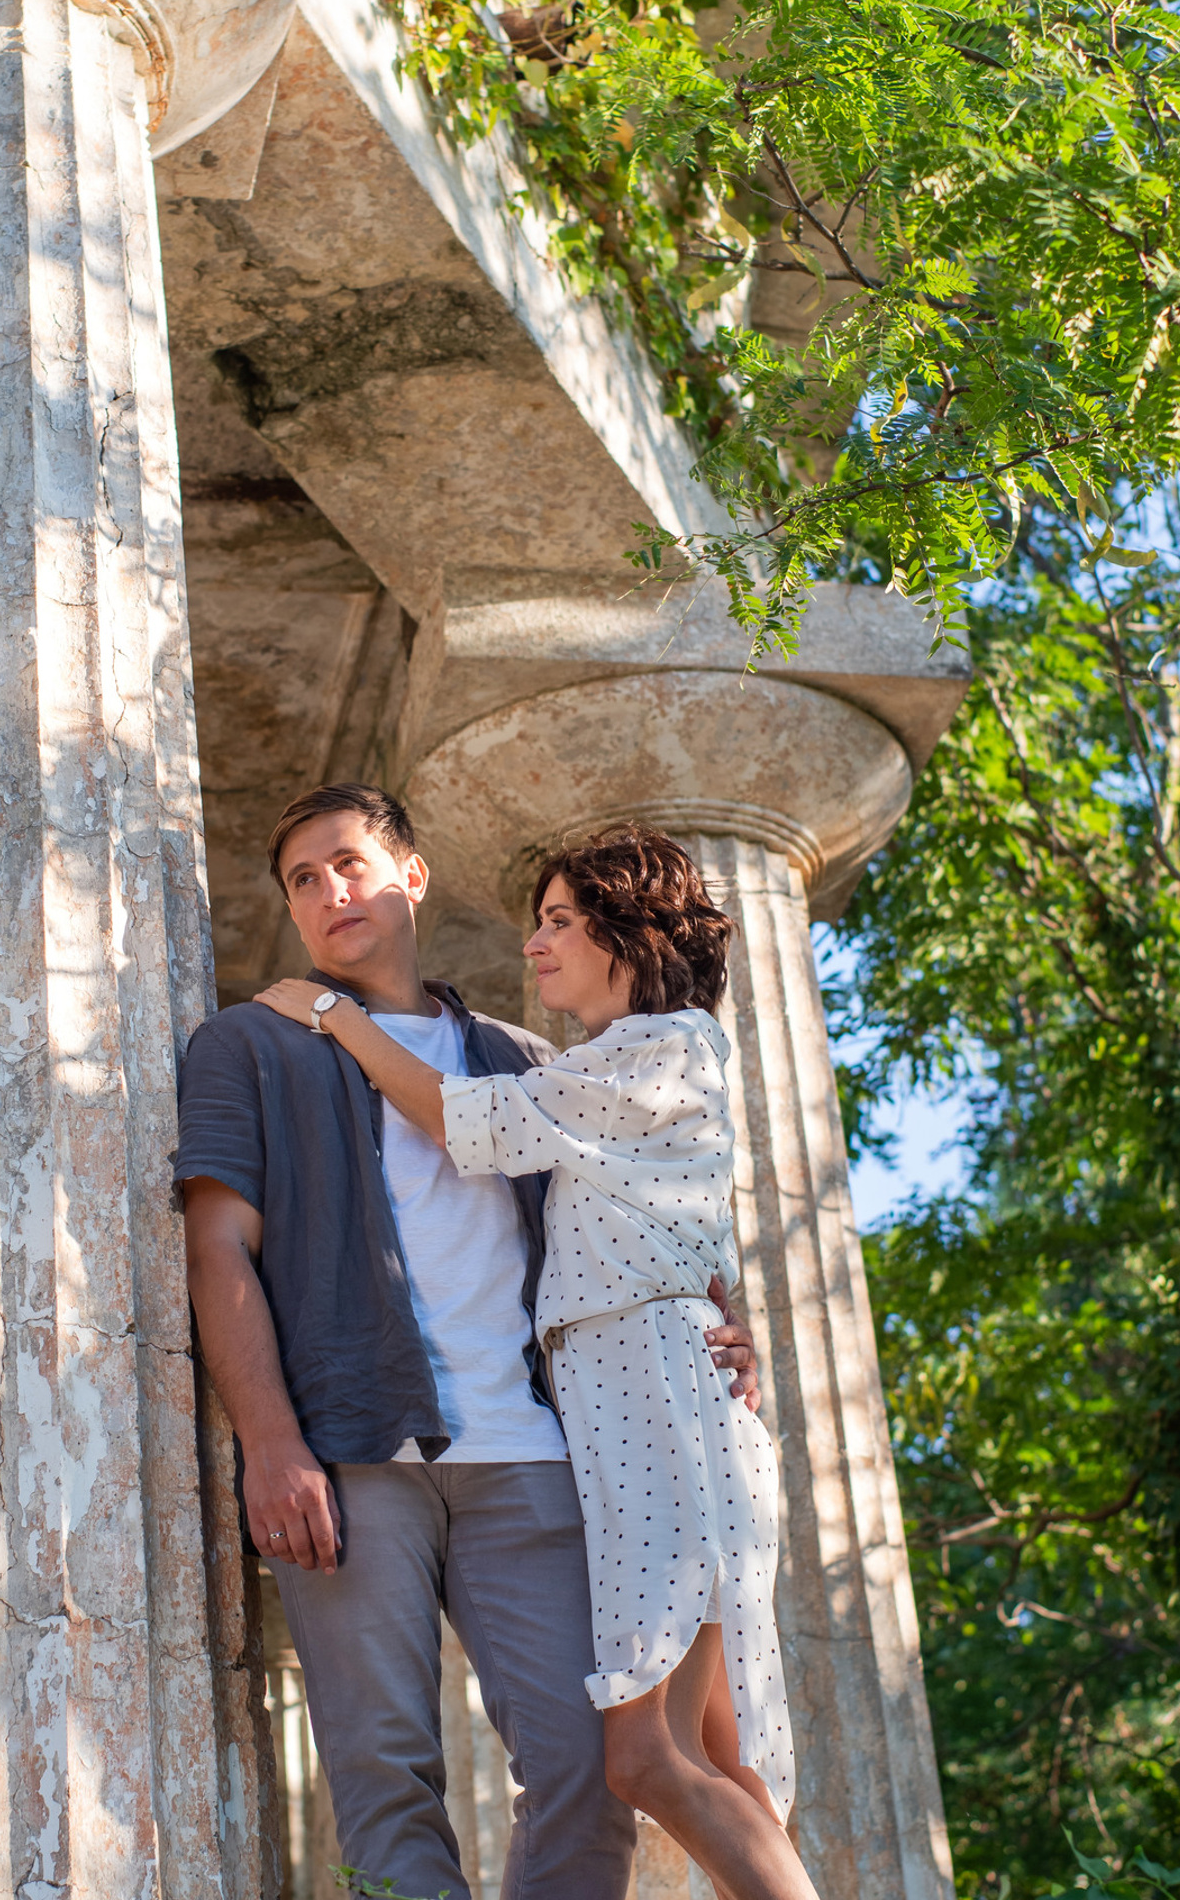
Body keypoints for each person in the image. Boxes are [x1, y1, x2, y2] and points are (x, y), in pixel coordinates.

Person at [175, 783, 764, 1900]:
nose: (328, 891)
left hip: (536, 1457)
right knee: (384, 1779)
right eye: (303, 879)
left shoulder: (518, 1058)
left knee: (593, 1774)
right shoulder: (248, 1045)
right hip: (354, 1455)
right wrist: (272, 1443)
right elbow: (219, 1250)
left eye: (348, 861)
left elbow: (650, 1209)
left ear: (412, 874)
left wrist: (728, 1333)